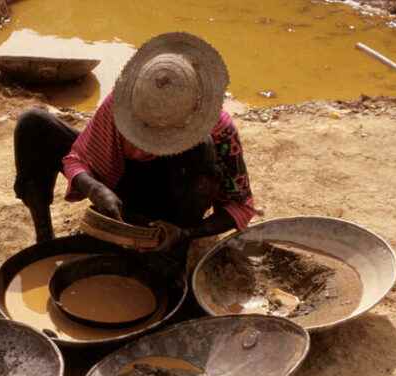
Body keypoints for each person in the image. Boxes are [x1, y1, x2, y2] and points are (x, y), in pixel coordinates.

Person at [13, 32, 256, 256]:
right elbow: (77, 159)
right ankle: (44, 239)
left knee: (203, 147)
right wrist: (95, 189)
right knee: (33, 124)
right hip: (125, 188)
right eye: (143, 128)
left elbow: (240, 204)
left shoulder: (218, 129)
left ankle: (168, 246)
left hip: (175, 205)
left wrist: (187, 234)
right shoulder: (124, 103)